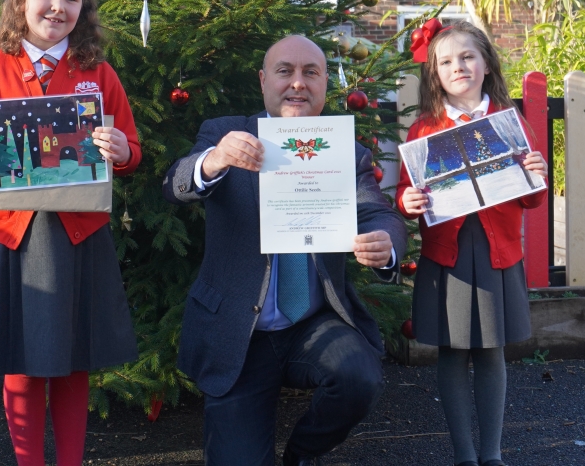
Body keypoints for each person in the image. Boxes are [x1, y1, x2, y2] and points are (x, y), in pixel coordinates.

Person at [163, 35, 407, 466]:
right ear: (263, 81)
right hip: (239, 332)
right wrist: (214, 161)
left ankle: (301, 454)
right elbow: (177, 184)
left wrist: (385, 244)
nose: (298, 83)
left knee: (357, 377)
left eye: (310, 73)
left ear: (325, 83)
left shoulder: (344, 151)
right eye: (285, 71)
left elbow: (377, 213)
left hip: (311, 324)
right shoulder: (225, 133)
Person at [0, 0, 140, 466]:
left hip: (79, 232)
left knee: (75, 361)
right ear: (21, 1)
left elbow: (131, 150)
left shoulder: (99, 73)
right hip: (12, 234)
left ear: (84, 8)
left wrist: (122, 151)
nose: (58, 7)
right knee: (20, 362)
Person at [398, 19, 549, 466]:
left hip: (497, 253)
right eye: (445, 61)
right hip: (448, 256)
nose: (458, 66)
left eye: (467, 56)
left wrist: (536, 176)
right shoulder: (423, 131)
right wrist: (408, 201)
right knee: (452, 351)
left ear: (486, 64)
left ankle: (492, 455)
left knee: (491, 350)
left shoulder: (509, 123)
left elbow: (532, 199)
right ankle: (464, 455)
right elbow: (408, 197)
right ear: (434, 74)